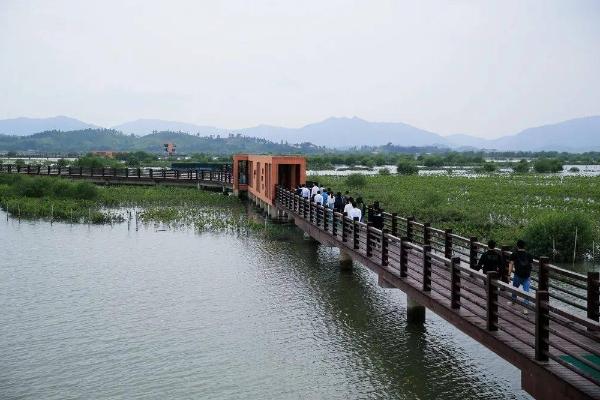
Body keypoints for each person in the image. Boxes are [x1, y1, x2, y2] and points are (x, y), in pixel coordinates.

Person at [508, 239, 534, 314]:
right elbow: (531, 266)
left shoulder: (514, 254)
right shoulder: (529, 255)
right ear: (524, 246)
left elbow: (511, 264)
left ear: (517, 246)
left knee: (515, 288)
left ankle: (513, 302)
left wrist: (509, 275)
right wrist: (530, 275)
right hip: (526, 276)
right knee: (526, 292)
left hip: (517, 275)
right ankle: (525, 308)